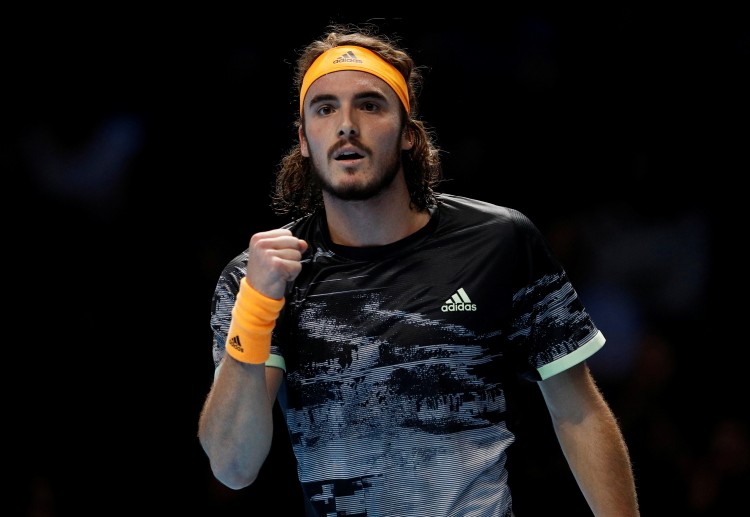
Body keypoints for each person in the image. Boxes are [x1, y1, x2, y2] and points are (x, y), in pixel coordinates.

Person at [198, 23, 640, 516]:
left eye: (370, 105)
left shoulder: (500, 241)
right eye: (324, 108)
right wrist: (256, 307)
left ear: (409, 134)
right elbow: (233, 467)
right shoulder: (256, 279)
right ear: (304, 140)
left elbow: (578, 411)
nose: (346, 125)